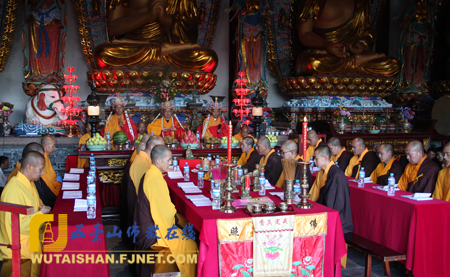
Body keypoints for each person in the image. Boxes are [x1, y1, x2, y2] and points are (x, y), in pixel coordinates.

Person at [93, 0, 218, 72]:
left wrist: (166, 19)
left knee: (208, 58)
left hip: (171, 49)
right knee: (103, 54)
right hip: (135, 46)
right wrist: (148, 16)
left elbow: (191, 33)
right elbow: (114, 28)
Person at [134, 145, 197, 276]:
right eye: (168, 160)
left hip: (149, 223)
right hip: (154, 232)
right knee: (191, 246)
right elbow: (164, 215)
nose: (171, 163)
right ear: (158, 161)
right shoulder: (154, 180)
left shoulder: (152, 173)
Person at [295, 0, 400, 76]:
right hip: (326, 55)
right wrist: (326, 45)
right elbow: (305, 33)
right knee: (312, 63)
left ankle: (355, 61)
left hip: (352, 54)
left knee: (393, 65)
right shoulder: (313, 1)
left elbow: (366, 33)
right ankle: (355, 62)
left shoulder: (360, 2)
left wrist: (361, 45)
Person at [0, 151, 51, 276]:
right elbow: (18, 226)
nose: (43, 173)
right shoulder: (14, 189)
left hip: (32, 243)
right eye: (40, 169)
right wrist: (41, 214)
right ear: (29, 167)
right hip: (19, 252)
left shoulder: (29, 183)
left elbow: (39, 206)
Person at [314, 145, 353, 234]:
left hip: (340, 220)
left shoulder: (336, 176)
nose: (314, 161)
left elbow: (336, 203)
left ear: (325, 157)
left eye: (316, 159)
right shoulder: (324, 172)